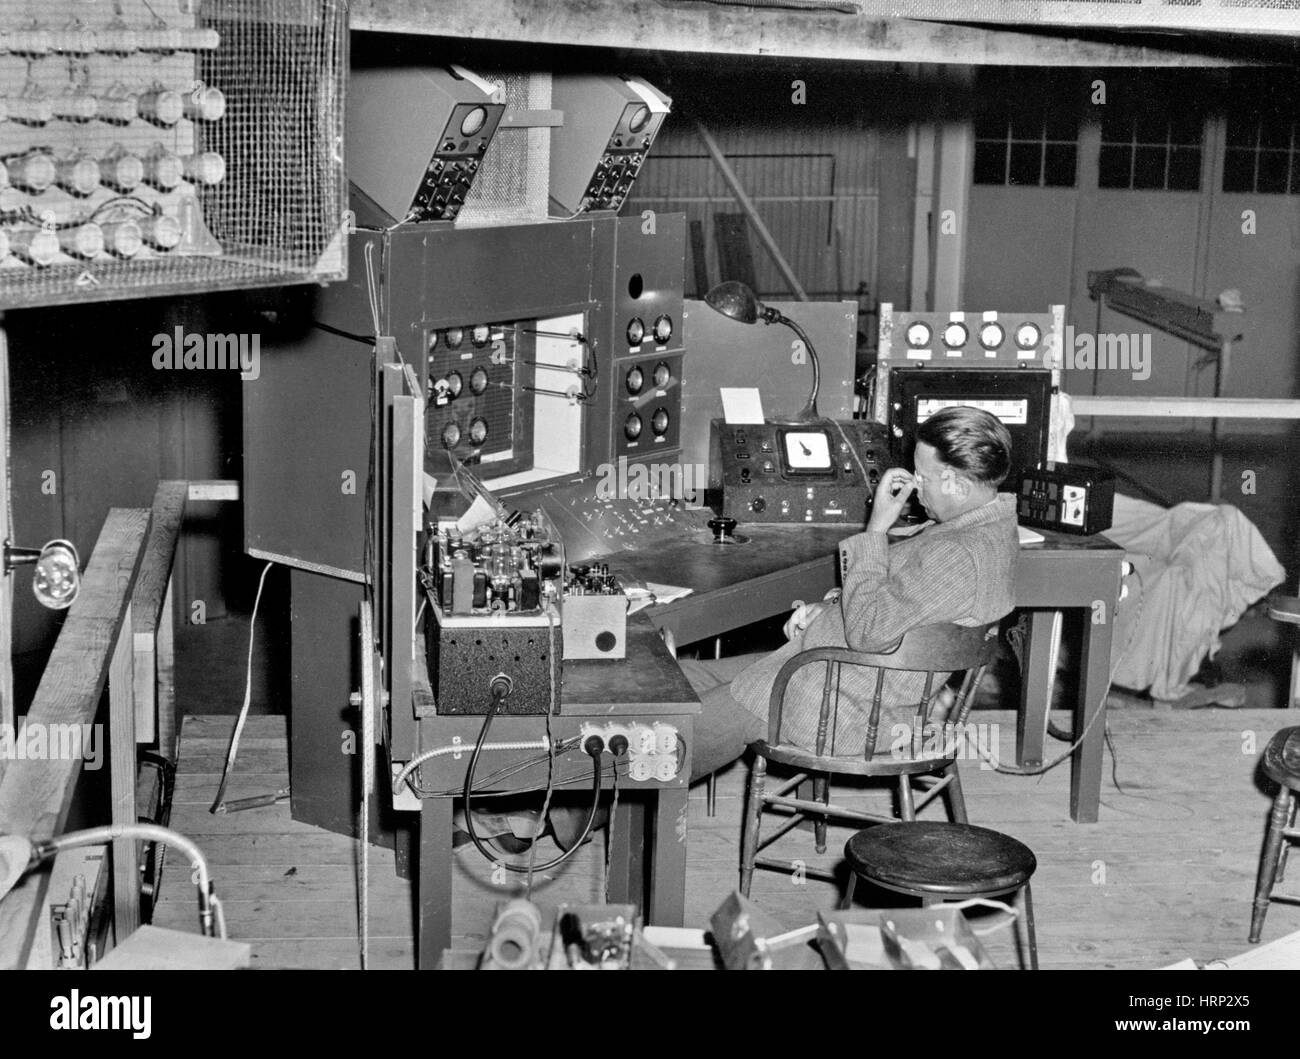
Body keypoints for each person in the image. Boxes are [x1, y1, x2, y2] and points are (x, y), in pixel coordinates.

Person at [678, 404, 1021, 781]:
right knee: (683, 679)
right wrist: (827, 610)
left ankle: (615, 800)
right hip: (841, 677)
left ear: (958, 483)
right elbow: (904, 603)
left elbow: (867, 630)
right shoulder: (992, 527)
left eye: (923, 477)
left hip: (844, 706)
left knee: (669, 738)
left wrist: (876, 529)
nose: (915, 488)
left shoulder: (954, 554)